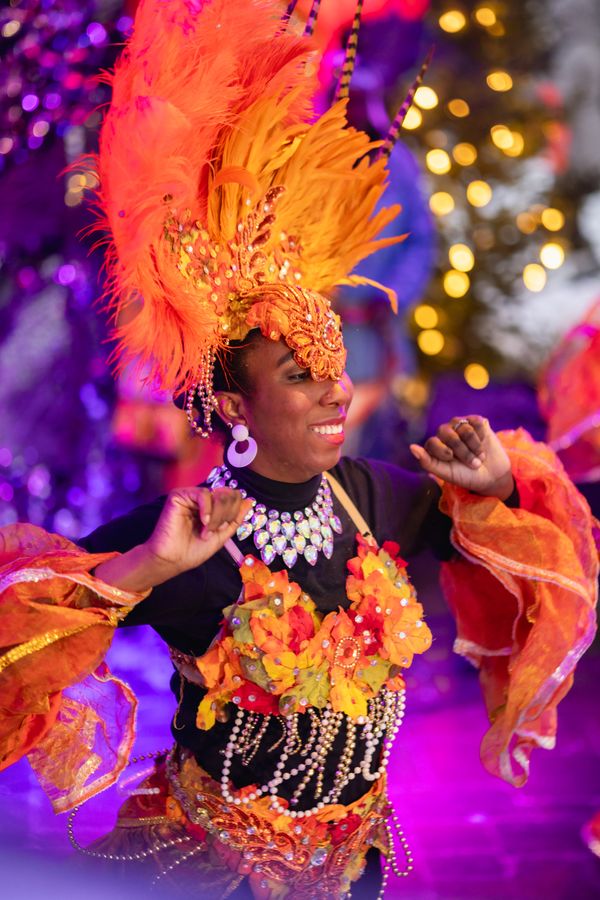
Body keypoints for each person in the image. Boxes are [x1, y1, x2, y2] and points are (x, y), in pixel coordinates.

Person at [0, 1, 597, 898]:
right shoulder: (186, 536)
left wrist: (501, 480)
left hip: (358, 868)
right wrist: (141, 569)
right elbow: (16, 656)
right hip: (203, 872)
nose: (335, 391)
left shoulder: (380, 496)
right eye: (299, 375)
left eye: (335, 367)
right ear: (236, 403)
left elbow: (553, 553)